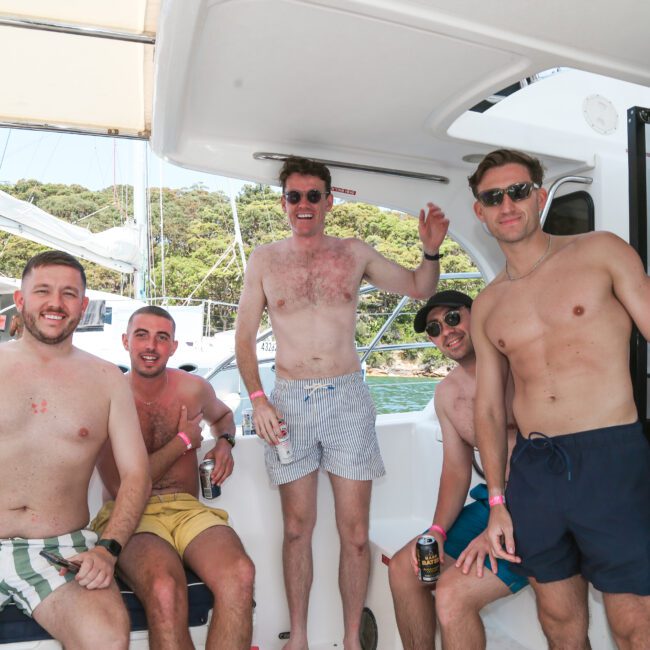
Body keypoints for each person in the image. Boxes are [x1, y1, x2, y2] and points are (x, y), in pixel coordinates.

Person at [235, 156, 448, 649]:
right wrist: (259, 400)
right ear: (283, 202)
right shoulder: (265, 260)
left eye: (313, 196)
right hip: (287, 402)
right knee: (296, 531)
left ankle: (352, 639)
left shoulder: (354, 253)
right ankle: (301, 638)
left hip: (348, 397)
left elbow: (419, 287)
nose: (304, 205)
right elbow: (244, 340)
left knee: (354, 534)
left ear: (329, 201)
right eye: (294, 196)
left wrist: (431, 250)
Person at [470, 149, 650, 648]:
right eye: (493, 197)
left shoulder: (601, 251)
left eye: (518, 191)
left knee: (636, 620)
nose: (507, 204)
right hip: (535, 468)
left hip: (611, 457)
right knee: (557, 618)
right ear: (479, 211)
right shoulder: (487, 305)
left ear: (541, 196)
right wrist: (498, 502)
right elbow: (487, 408)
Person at [0, 250, 150, 648]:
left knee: (106, 641)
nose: (55, 303)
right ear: (20, 299)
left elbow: (137, 474)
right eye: (43, 291)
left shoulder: (107, 380)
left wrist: (108, 549)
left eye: (69, 294)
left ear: (83, 306)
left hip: (60, 547)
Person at [94, 305, 255, 650]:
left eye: (161, 338)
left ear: (174, 347)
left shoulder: (193, 389)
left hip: (186, 509)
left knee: (240, 573)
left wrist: (225, 443)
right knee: (164, 588)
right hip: (131, 514)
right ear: (125, 341)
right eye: (142, 335)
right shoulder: (108, 397)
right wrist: (182, 442)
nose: (151, 346)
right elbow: (126, 486)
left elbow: (224, 416)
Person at [388, 290, 524, 649]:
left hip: (535, 507)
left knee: (450, 593)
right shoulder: (447, 395)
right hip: (489, 505)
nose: (446, 331)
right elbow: (455, 470)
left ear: (474, 314)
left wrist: (496, 524)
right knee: (405, 567)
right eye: (434, 328)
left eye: (452, 318)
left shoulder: (520, 369)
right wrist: (437, 531)